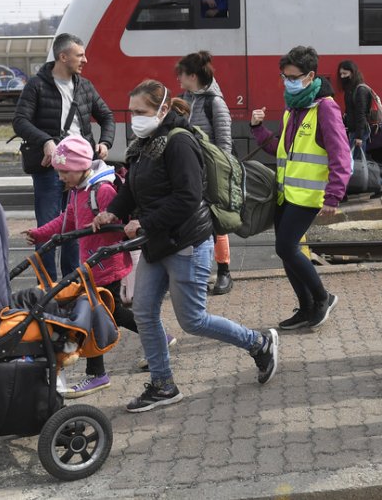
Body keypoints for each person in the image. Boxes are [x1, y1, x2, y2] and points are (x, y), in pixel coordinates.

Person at [92, 80, 279, 413]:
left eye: (141, 111)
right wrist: (113, 212)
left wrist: (145, 223)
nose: (134, 118)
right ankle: (163, 385)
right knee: (144, 313)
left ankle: (259, 343)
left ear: (163, 110)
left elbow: (188, 198)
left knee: (193, 320)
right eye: (132, 112)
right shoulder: (144, 143)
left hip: (186, 243)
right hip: (158, 242)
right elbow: (133, 188)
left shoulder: (179, 142)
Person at [24, 135, 151, 397]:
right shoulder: (77, 191)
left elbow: (119, 224)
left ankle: (97, 374)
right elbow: (66, 221)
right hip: (92, 267)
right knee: (112, 313)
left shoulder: (101, 191)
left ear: (82, 167)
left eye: (65, 172)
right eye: (59, 172)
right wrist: (39, 234)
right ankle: (157, 337)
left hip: (107, 266)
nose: (60, 177)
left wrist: (107, 220)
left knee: (96, 316)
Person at [250, 46, 352, 331]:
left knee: (285, 246)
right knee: (285, 250)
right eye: (284, 76)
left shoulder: (325, 108)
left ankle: (322, 298)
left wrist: (334, 195)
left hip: (308, 195)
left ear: (310, 76)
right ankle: (306, 307)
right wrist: (258, 128)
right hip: (287, 193)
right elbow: (281, 150)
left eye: (293, 77)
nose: (288, 82)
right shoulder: (293, 108)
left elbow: (341, 155)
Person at [12, 33, 115, 282]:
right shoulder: (37, 85)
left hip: (80, 170)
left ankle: (72, 282)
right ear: (63, 56)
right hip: (49, 168)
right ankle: (46, 286)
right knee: (48, 227)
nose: (85, 60)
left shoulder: (84, 86)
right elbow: (20, 121)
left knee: (76, 226)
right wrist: (46, 141)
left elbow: (107, 116)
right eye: (80, 55)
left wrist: (105, 142)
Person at [176, 50, 234, 296]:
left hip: (210, 173)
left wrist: (222, 175)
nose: (178, 78)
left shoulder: (215, 103)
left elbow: (224, 143)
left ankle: (224, 271)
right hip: (188, 171)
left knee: (216, 222)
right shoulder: (183, 99)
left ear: (192, 76)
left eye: (181, 74)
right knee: (192, 222)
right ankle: (198, 273)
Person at [337, 59, 382, 199]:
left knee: (352, 163)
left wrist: (359, 136)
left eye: (345, 73)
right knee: (356, 162)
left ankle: (344, 193)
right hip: (354, 131)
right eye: (341, 74)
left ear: (352, 73)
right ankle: (381, 185)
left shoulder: (360, 90)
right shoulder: (351, 89)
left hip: (359, 131)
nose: (342, 76)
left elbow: (361, 114)